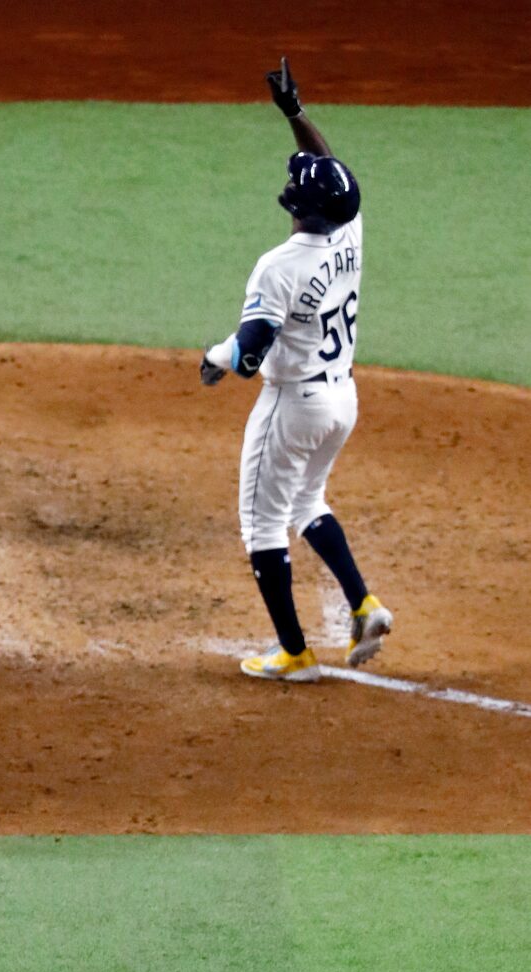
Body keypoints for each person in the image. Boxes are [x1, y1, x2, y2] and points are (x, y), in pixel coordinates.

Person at [200, 60, 393, 681]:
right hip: (341, 401)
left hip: (292, 406)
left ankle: (294, 654)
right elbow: (331, 172)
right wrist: (294, 112)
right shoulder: (350, 232)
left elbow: (251, 357)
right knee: (307, 498)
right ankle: (363, 605)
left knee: (261, 523)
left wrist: (215, 356)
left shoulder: (279, 266)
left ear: (297, 207)